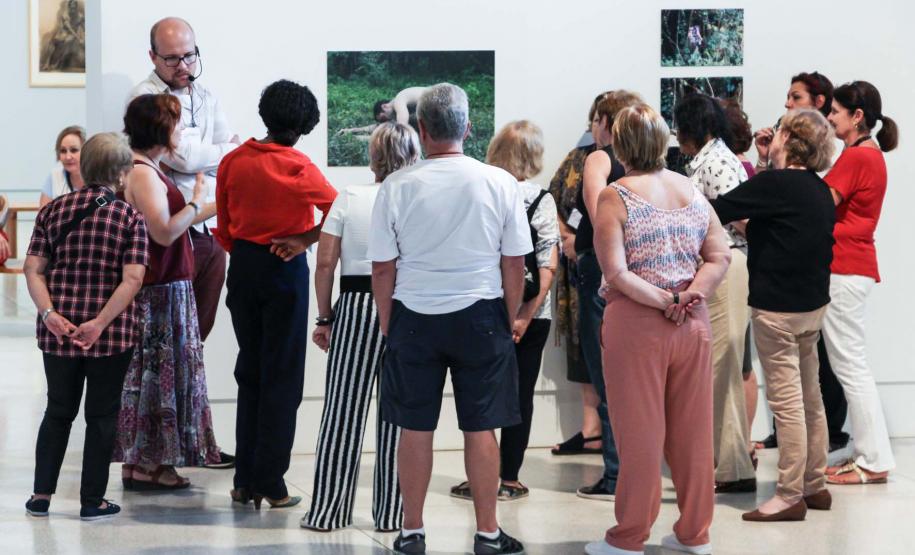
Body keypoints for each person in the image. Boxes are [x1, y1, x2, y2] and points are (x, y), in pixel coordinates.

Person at [368, 83, 529, 555]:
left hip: (413, 315)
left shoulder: (397, 185)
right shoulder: (499, 182)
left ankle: (412, 531)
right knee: (481, 427)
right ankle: (487, 533)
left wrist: (386, 322)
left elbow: (383, 267)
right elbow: (515, 260)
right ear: (469, 128)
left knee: (414, 427)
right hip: (481, 313)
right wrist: (507, 314)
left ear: (421, 129)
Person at [585, 103, 730, 555]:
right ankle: (694, 534)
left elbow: (617, 273)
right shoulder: (690, 188)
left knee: (640, 435)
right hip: (692, 325)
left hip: (639, 327)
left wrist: (665, 300)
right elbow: (719, 255)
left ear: (620, 144)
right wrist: (691, 296)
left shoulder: (616, 195)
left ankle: (628, 538)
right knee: (692, 434)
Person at [215, 80, 337, 510]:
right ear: (304, 126)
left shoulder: (234, 161)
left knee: (250, 370)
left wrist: (248, 249)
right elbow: (336, 212)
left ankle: (244, 479)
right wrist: (304, 239)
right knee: (282, 375)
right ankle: (272, 481)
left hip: (244, 267)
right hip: (284, 270)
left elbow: (226, 227)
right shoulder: (298, 166)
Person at [711, 108, 837, 521]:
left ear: (790, 140)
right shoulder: (817, 188)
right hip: (811, 308)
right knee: (810, 398)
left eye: (780, 131)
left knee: (787, 405)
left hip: (777, 311)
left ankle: (788, 494)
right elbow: (776, 224)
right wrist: (766, 162)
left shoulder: (775, 185)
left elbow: (721, 208)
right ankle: (814, 484)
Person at [131, 18, 239, 468]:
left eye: (190, 55)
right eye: (173, 58)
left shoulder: (206, 94)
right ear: (153, 57)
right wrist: (213, 150)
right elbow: (183, 154)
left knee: (192, 344)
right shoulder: (146, 97)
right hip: (174, 237)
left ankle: (188, 443)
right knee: (165, 350)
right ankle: (157, 454)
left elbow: (223, 153)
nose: (184, 66)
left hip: (207, 233)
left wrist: (209, 151)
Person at [23, 132, 148, 520]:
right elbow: (132, 279)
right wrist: (98, 323)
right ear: (122, 173)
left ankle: (40, 497)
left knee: (58, 410)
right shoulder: (129, 217)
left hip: (57, 333)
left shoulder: (52, 211)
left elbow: (33, 268)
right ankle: (92, 501)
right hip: (111, 335)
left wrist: (50, 315)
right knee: (101, 415)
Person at [301, 122, 418, 531]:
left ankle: (328, 511)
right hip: (406, 307)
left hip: (355, 306)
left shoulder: (349, 197)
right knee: (399, 414)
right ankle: (392, 514)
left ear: (373, 156)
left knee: (342, 411)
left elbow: (325, 263)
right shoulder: (417, 197)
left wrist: (323, 316)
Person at [112, 93, 220, 489]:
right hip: (161, 292)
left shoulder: (144, 169)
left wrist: (203, 206)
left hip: (164, 288)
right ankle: (149, 464)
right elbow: (163, 230)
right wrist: (196, 204)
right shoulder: (143, 173)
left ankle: (143, 461)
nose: (180, 131)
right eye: (175, 124)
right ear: (163, 130)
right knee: (158, 377)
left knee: (153, 378)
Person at [449, 120, 559, 502]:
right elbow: (548, 264)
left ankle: (481, 477)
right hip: (532, 315)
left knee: (479, 395)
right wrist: (526, 314)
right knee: (520, 395)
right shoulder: (542, 199)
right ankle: (509, 477)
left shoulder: (480, 191)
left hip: (484, 307)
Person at [751, 71, 850, 454]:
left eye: (795, 97)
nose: (787, 104)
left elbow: (782, 203)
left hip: (797, 287)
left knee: (797, 394)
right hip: (804, 284)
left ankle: (793, 490)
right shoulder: (806, 181)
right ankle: (812, 483)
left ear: (819, 102)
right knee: (805, 392)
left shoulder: (824, 169)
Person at [673, 94, 755, 494]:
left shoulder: (718, 163)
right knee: (719, 370)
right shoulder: (710, 159)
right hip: (718, 269)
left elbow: (741, 219)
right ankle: (728, 464)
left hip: (725, 268)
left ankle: (729, 466)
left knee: (721, 370)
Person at [822, 81, 899, 485]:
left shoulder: (856, 158)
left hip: (845, 267)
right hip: (853, 267)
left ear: (857, 116)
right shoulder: (866, 155)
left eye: (835, 111)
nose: (829, 117)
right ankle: (866, 450)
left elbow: (820, 204)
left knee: (850, 365)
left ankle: (872, 460)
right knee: (851, 363)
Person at [576, 90, 643, 502]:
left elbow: (598, 207)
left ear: (605, 121)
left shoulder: (600, 158)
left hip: (603, 269)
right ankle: (633, 473)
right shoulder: (646, 167)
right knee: (632, 375)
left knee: (607, 375)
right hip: (637, 269)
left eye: (594, 121)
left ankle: (618, 476)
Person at [549, 92, 610, 458]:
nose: (593, 125)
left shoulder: (625, 163)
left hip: (608, 265)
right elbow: (552, 200)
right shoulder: (576, 159)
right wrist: (569, 238)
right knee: (581, 345)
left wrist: (583, 242)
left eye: (600, 118)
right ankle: (591, 430)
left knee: (606, 348)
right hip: (576, 265)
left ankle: (609, 432)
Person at [338, 86, 428, 137]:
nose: (386, 122)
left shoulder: (399, 100)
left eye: (383, 119)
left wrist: (359, 138)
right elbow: (379, 127)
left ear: (384, 106)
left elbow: (400, 132)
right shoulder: (402, 110)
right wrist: (351, 131)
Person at [39, 126, 87, 208]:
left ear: (86, 151)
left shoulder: (98, 177)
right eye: (63, 151)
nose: (68, 157)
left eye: (74, 150)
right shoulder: (55, 176)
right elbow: (42, 218)